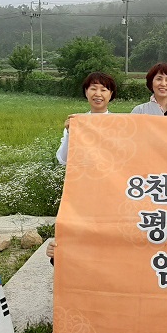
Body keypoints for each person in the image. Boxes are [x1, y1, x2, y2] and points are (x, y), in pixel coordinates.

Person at [49, 71, 117, 264]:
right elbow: (62, 159)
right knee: (81, 233)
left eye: (104, 89)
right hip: (83, 190)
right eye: (93, 88)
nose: (98, 93)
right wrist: (70, 132)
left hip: (111, 190)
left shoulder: (120, 124)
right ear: (86, 92)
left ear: (111, 94)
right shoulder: (77, 121)